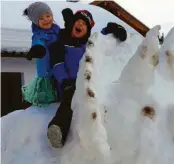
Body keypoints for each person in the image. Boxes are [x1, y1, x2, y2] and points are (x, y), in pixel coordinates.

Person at [47, 8, 127, 148]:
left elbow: (100, 37)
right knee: (70, 101)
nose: (80, 25)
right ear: (71, 24)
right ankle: (58, 128)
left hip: (87, 83)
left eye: (84, 24)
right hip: (67, 84)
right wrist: (65, 82)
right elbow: (57, 65)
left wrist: (112, 29)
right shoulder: (60, 43)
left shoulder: (87, 44)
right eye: (77, 21)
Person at [22, 2, 60, 106]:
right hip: (47, 73)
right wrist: (38, 48)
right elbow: (38, 41)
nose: (46, 20)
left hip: (59, 69)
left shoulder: (57, 30)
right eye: (41, 18)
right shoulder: (39, 34)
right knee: (49, 101)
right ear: (36, 22)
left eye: (48, 16)